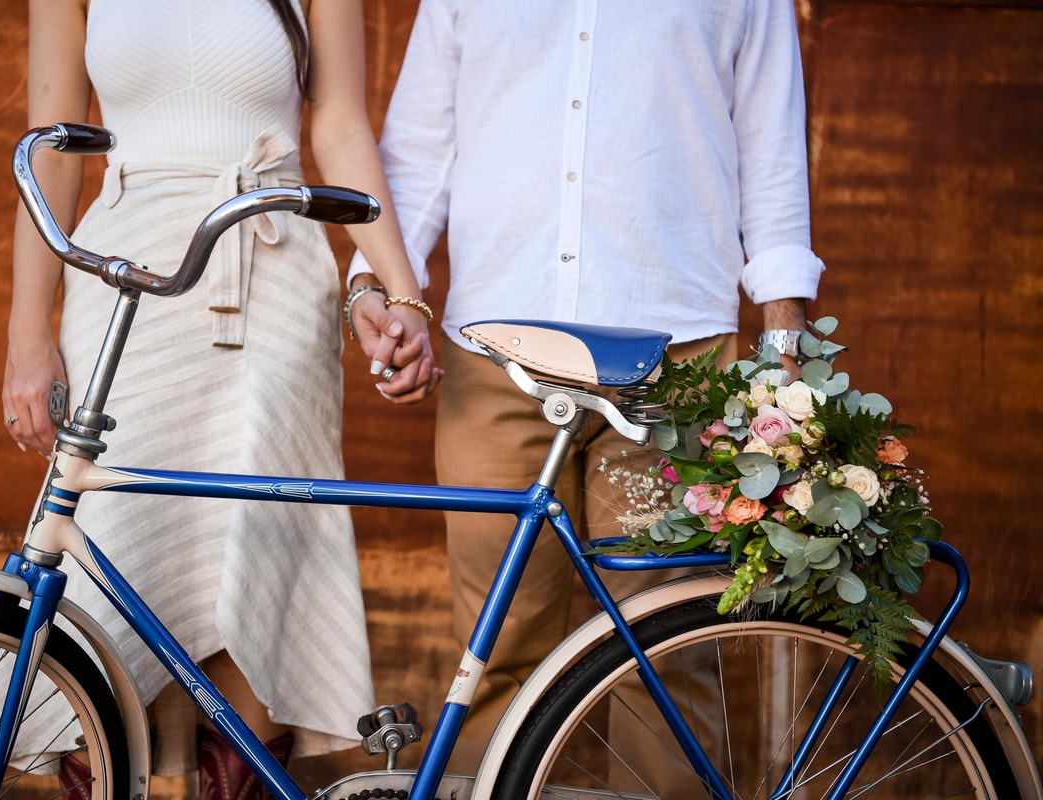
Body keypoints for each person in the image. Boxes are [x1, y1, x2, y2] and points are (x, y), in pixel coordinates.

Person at [350, 0, 826, 779]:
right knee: (494, 654)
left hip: (675, 363)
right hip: (492, 357)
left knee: (665, 657)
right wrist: (372, 281)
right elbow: (418, 153)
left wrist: (783, 343)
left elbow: (770, 145)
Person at [0, 0, 438, 796]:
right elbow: (53, 150)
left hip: (272, 257)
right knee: (115, 543)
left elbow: (338, 125)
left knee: (258, 540)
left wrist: (402, 296)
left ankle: (243, 774)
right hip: (123, 269)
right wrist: (27, 334)